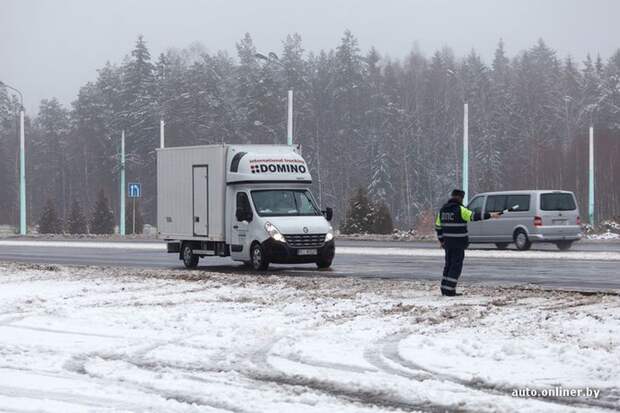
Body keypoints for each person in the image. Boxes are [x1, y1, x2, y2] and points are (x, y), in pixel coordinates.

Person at [435, 189, 500, 296]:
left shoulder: (443, 210)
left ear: (452, 196)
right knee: (455, 267)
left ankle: (444, 288)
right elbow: (474, 216)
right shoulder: (460, 209)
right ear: (460, 198)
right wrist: (491, 215)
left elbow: (438, 227)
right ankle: (450, 291)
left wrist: (442, 240)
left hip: (447, 244)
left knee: (448, 265)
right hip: (459, 243)